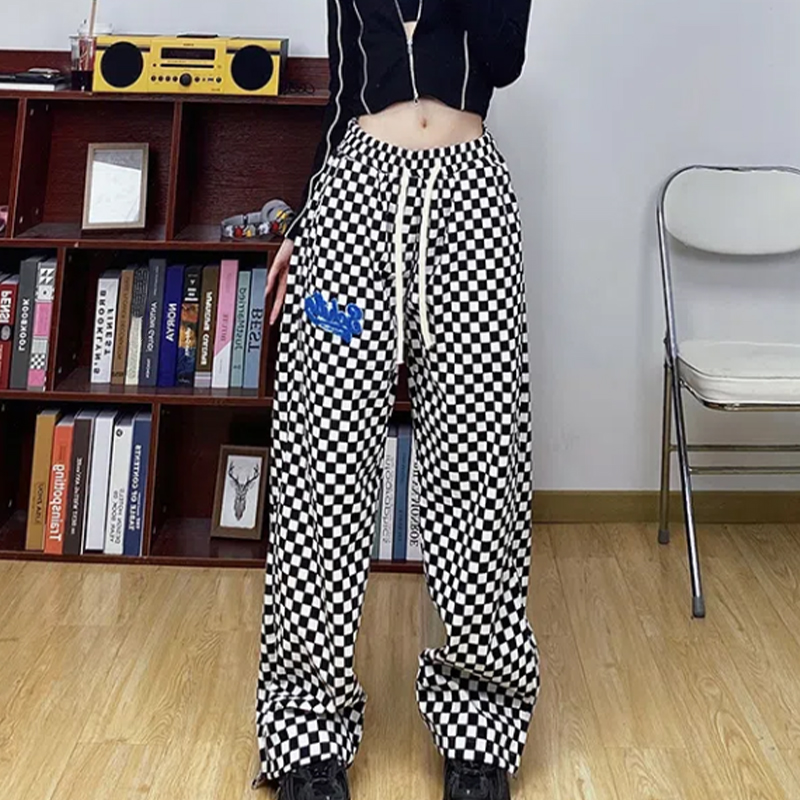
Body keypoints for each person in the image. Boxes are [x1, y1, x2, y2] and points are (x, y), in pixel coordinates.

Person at [255, 1, 538, 798]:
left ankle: (480, 731)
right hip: (351, 212)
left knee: (481, 461)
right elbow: (344, 94)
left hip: (471, 208)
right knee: (323, 460)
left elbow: (504, 57)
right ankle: (306, 735)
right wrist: (300, 224)